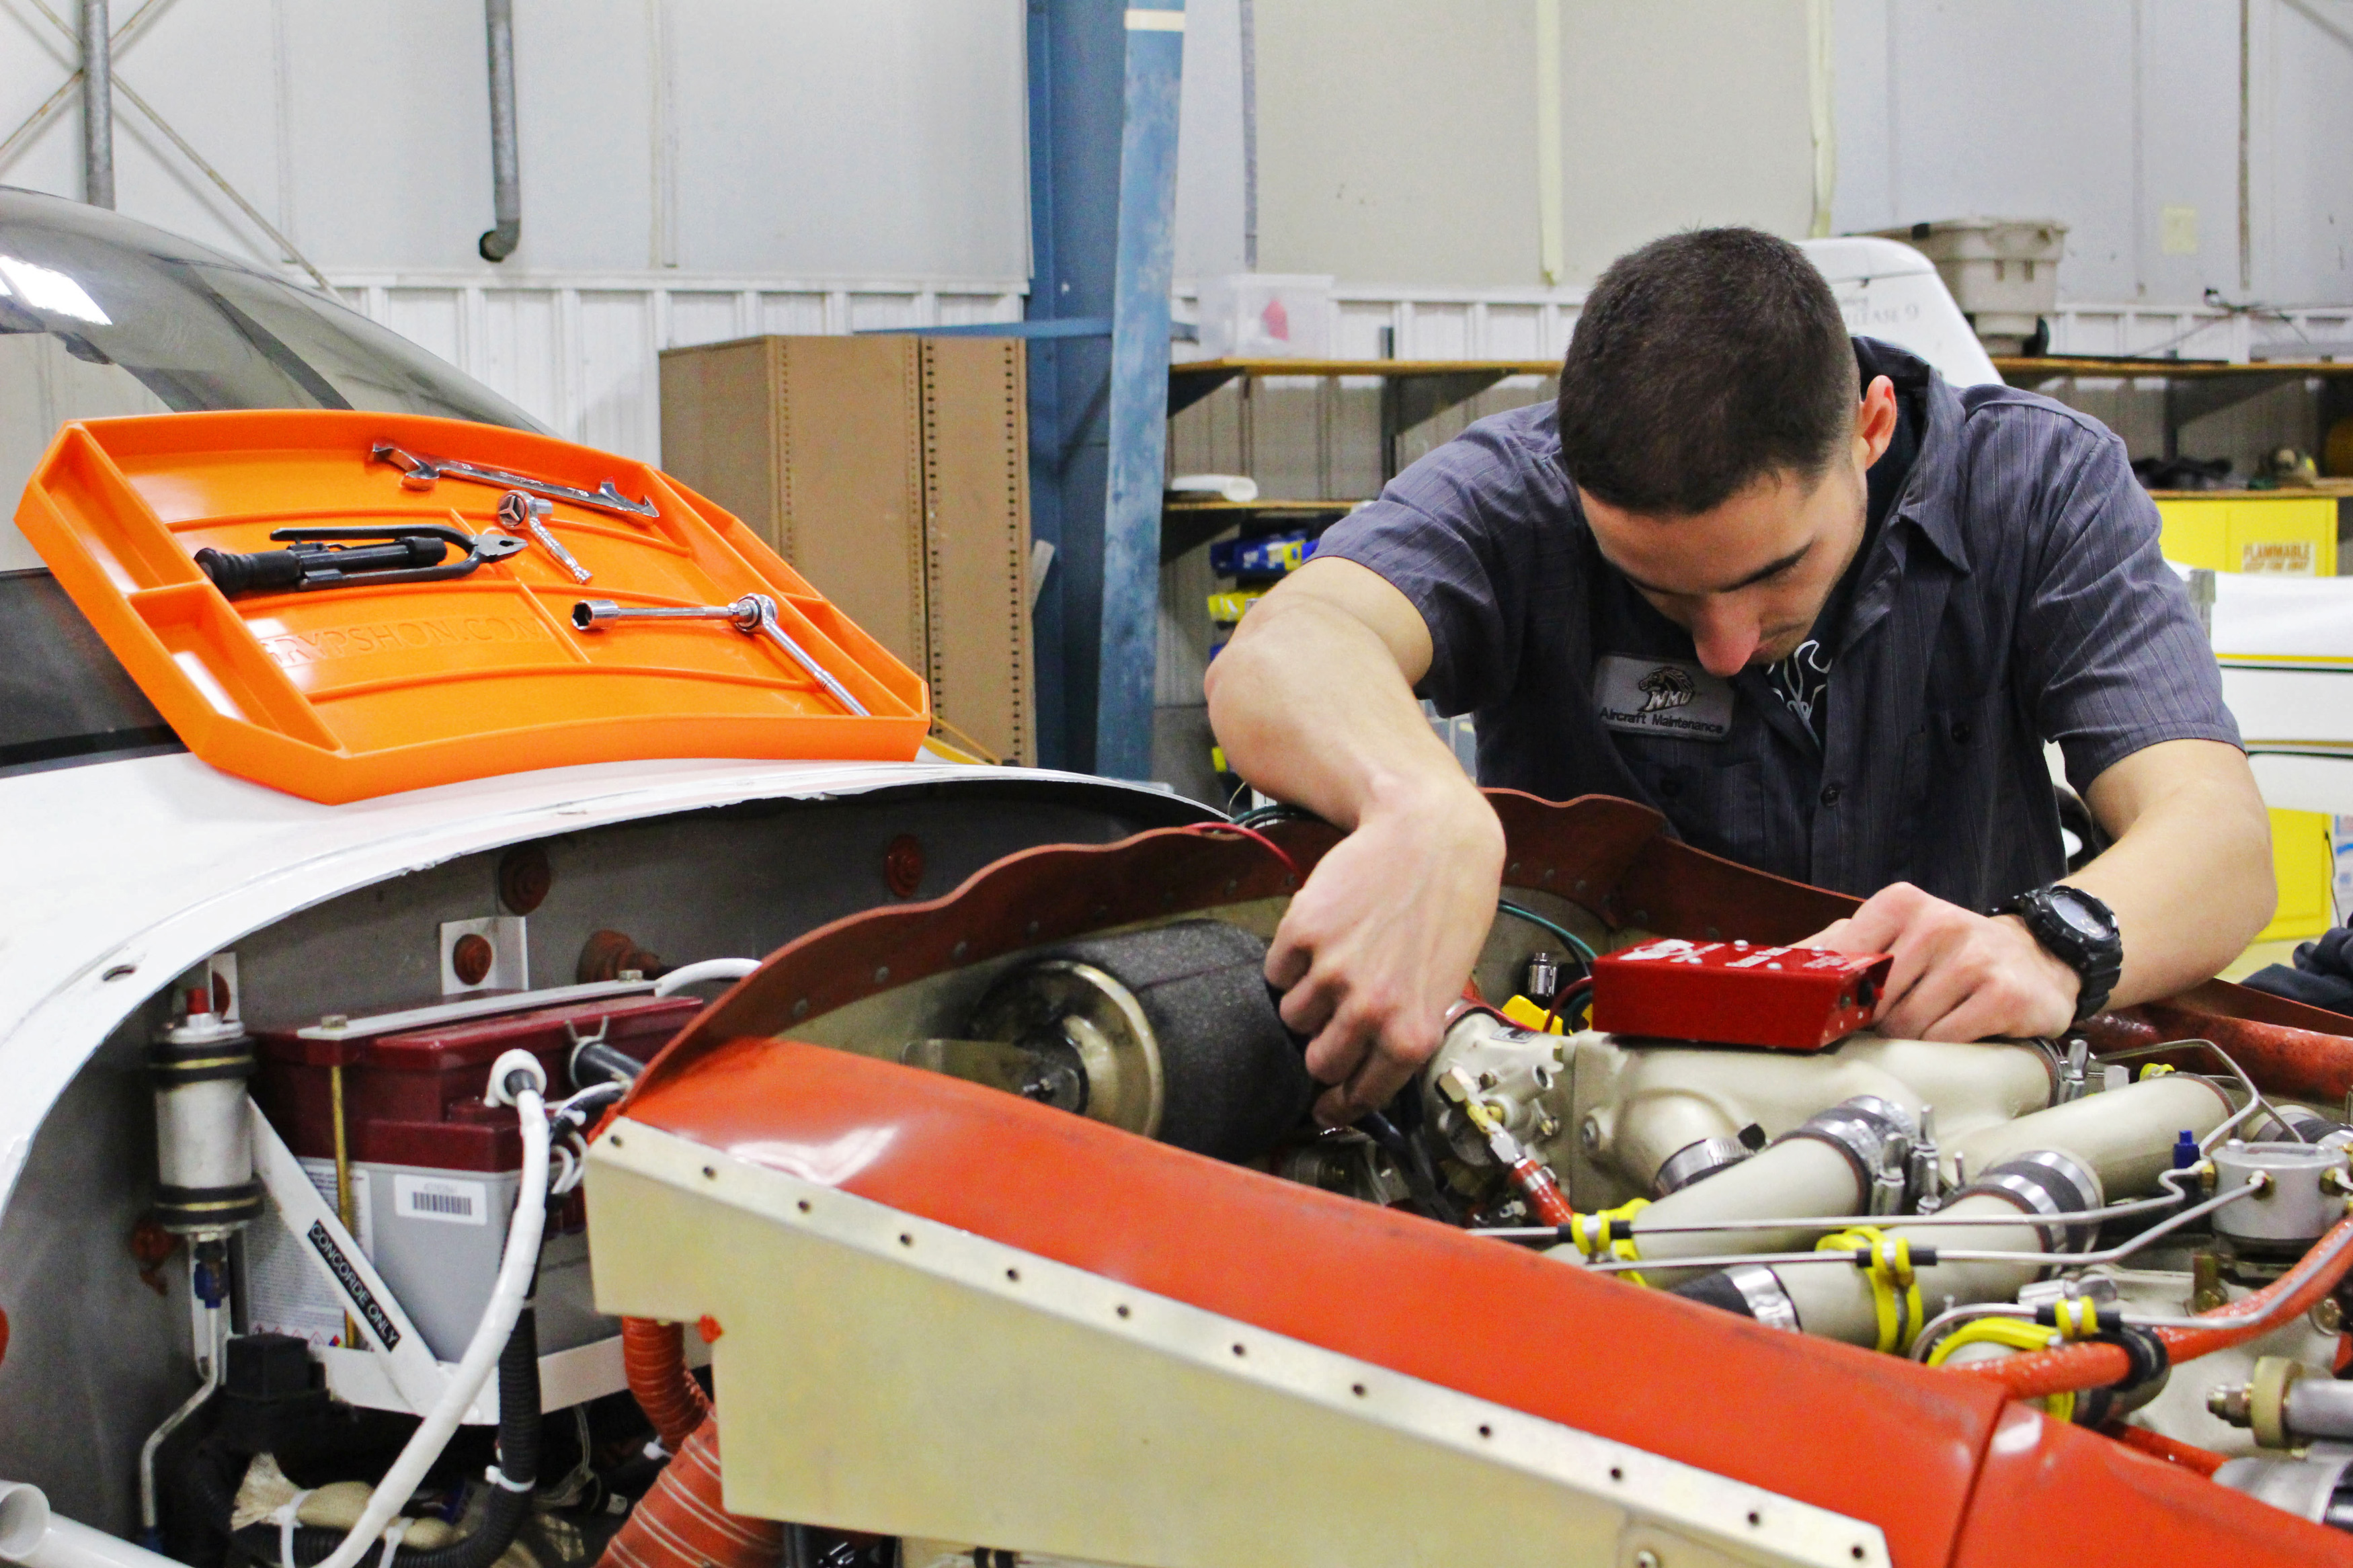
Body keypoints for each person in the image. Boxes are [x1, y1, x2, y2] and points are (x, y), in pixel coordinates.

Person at [1205, 226, 2274, 1128]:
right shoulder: (1519, 493)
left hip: (1957, 1122)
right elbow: (1293, 640)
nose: (1722, 645)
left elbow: (2219, 838)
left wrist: (2049, 944)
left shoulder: (2039, 487)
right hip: (1592, 1119)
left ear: (1870, 428)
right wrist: (1422, 806)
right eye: (1659, 593)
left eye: (1773, 574)